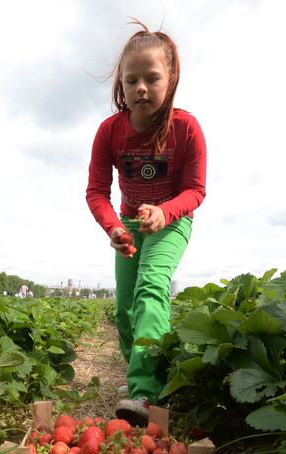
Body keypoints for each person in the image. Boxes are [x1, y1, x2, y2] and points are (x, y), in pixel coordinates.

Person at [86, 21, 206, 427]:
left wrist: (165, 212)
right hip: (129, 223)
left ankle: (145, 391)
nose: (141, 88)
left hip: (173, 221)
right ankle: (139, 368)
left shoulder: (186, 128)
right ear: (120, 83)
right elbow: (96, 192)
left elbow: (195, 191)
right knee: (123, 308)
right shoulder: (109, 132)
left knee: (151, 288)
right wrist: (115, 230)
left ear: (170, 79)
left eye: (151, 79)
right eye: (131, 79)